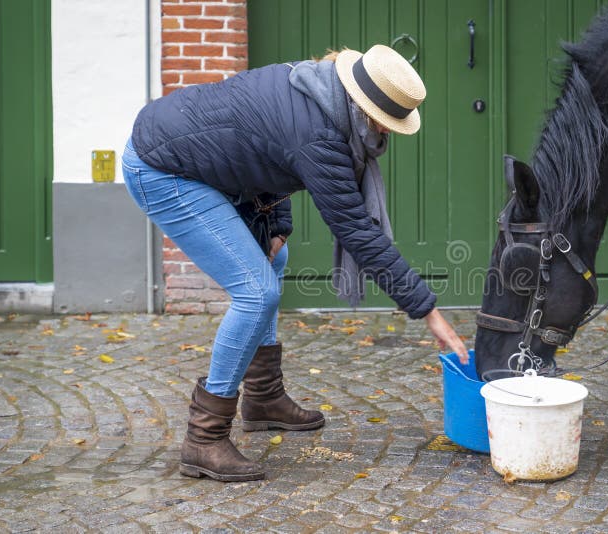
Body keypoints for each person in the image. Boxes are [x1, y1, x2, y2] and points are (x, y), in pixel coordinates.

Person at [122, 44, 468, 482]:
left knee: (275, 257)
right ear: (372, 111)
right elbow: (357, 230)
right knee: (256, 290)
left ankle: (263, 397)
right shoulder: (321, 133)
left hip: (203, 163)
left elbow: (261, 150)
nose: (389, 135)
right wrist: (429, 312)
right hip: (162, 169)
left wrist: (277, 224)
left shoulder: (318, 88)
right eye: (389, 124)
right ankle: (204, 438)